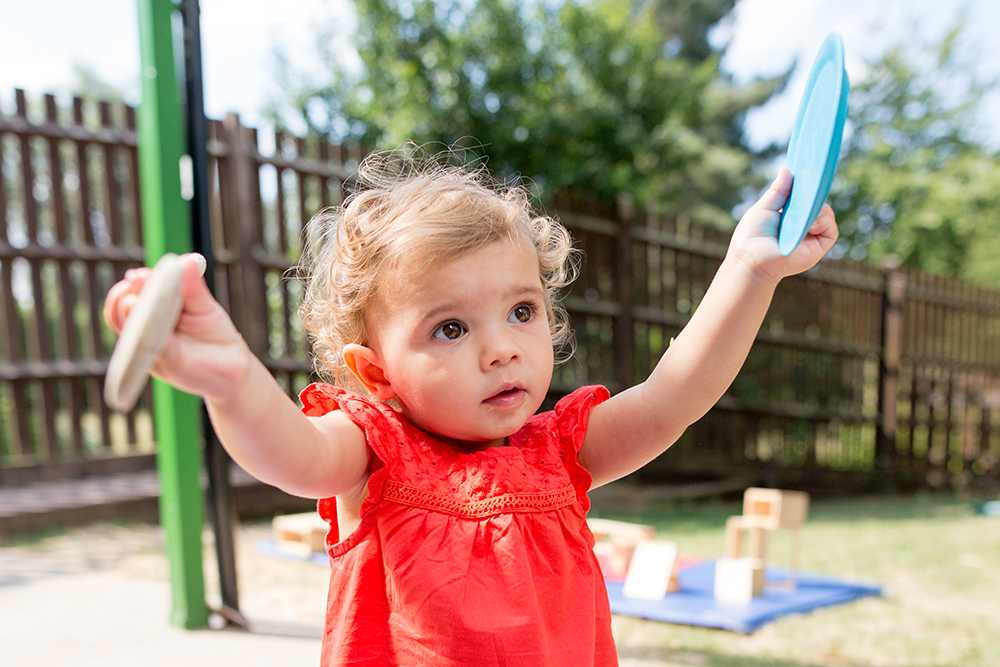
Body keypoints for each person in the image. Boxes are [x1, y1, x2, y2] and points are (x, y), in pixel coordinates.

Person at [104, 149, 837, 666]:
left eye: (521, 310)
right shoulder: (371, 450)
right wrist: (231, 380)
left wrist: (749, 270)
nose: (501, 349)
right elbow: (289, 454)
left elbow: (677, 393)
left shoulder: (563, 452)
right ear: (376, 371)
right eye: (450, 327)